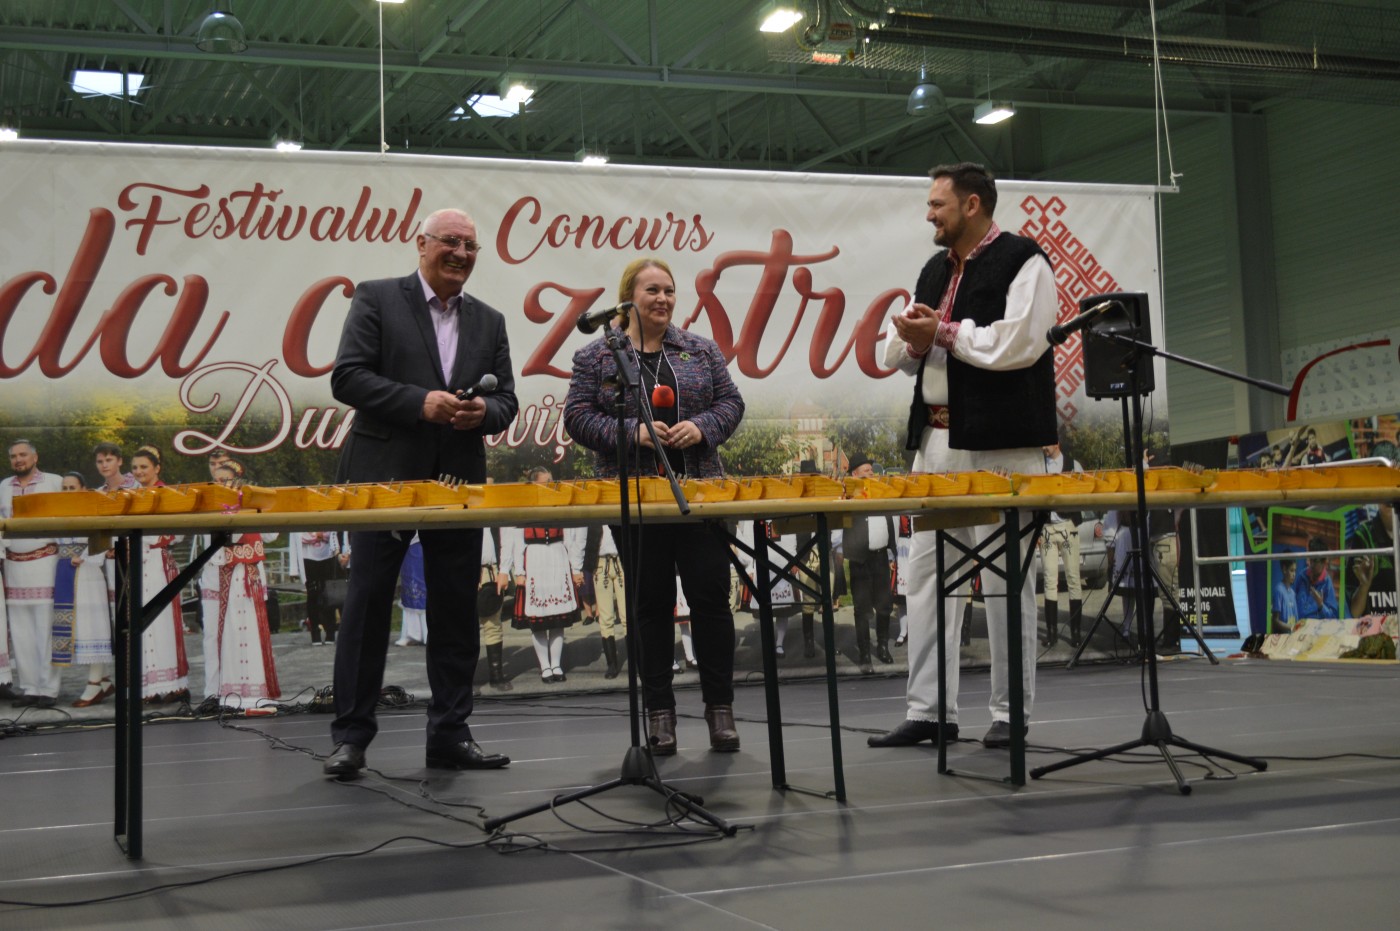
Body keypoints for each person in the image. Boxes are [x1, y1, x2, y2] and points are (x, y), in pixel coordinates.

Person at [869, 162, 1058, 750]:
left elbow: (1019, 342)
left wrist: (944, 333)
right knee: (926, 577)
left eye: (938, 205)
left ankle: (1010, 714)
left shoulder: (1024, 260)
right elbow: (895, 355)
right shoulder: (934, 269)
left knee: (1005, 580)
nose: (929, 214)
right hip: (936, 443)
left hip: (1002, 447)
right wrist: (910, 337)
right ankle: (929, 710)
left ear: (972, 205)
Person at [324, 206, 517, 778]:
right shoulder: (377, 297)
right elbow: (347, 377)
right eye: (450, 241)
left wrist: (484, 413)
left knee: (456, 609)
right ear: (422, 243)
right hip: (383, 478)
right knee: (367, 608)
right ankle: (351, 737)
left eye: (470, 246)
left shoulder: (491, 320)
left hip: (458, 481)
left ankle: (451, 734)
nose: (460, 253)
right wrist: (419, 402)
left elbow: (507, 400)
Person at [563, 256, 745, 755]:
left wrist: (702, 427)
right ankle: (660, 714)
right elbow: (577, 418)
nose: (663, 298)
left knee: (710, 601)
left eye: (669, 290)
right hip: (636, 500)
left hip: (698, 498)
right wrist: (633, 432)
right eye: (652, 290)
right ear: (628, 299)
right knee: (650, 605)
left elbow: (732, 403)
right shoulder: (597, 357)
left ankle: (720, 710)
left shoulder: (700, 350)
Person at [499, 466, 585, 683]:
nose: (550, 484)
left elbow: (571, 537)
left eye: (551, 480)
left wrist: (575, 568)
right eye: (546, 481)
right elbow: (513, 541)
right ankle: (545, 666)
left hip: (557, 558)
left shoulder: (559, 502)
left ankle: (556, 664)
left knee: (558, 619)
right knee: (538, 621)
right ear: (534, 483)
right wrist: (518, 571)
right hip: (535, 560)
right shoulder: (524, 506)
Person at [1, 439, 65, 707]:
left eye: (23, 454)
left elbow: (68, 517)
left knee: (45, 629)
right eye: (14, 456)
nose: (18, 460)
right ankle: (29, 688)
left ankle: (48, 689)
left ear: (35, 457)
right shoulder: (3, 486)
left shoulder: (54, 482)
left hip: (44, 561)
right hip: (13, 565)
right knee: (21, 631)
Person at [129, 445, 191, 703]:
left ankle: (175, 685)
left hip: (158, 562)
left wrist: (146, 538)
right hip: (137, 563)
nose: (139, 471)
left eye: (144, 467)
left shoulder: (168, 494)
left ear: (157, 468)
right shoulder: (131, 494)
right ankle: (149, 687)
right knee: (142, 623)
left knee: (163, 622)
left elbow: (178, 531)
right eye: (134, 468)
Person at [56, 472, 116, 707]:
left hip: (87, 572)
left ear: (83, 488)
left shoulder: (93, 510)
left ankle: (94, 685)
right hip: (66, 574)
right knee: (79, 628)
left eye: (72, 488)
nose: (68, 492)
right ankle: (103, 681)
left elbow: (105, 537)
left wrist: (85, 556)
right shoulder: (59, 512)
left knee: (91, 628)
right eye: (64, 488)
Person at [839, 456, 895, 671]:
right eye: (866, 470)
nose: (871, 473)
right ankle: (864, 653)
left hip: (880, 557)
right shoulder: (849, 493)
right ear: (855, 474)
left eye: (871, 470)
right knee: (862, 608)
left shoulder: (879, 490)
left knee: (884, 605)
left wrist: (892, 551)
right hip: (860, 559)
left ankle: (882, 647)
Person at [1039, 442, 1087, 646]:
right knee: (1050, 579)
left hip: (1067, 526)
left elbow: (1084, 492)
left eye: (1047, 443)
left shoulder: (1074, 465)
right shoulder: (1039, 467)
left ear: (1056, 443)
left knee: (1073, 578)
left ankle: (1076, 633)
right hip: (1047, 528)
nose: (1043, 447)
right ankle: (1051, 634)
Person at [583, 524, 627, 679]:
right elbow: (581, 538)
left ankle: (636, 660)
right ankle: (612, 664)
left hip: (621, 562)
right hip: (600, 564)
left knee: (627, 615)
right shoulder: (595, 517)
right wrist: (577, 568)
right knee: (606, 617)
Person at [1294, 536, 1338, 621]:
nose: (1312, 564)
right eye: (1311, 559)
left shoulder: (1327, 584)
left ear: (1324, 562)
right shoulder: (1301, 577)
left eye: (1315, 561)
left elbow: (1333, 618)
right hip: (1298, 626)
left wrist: (1320, 604)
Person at [1272, 559, 1299, 633]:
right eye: (1291, 570)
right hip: (1282, 637)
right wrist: (1291, 627)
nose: (1294, 574)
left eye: (1295, 571)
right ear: (1284, 570)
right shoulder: (1278, 590)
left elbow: (1296, 620)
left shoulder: (1293, 593)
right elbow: (1275, 621)